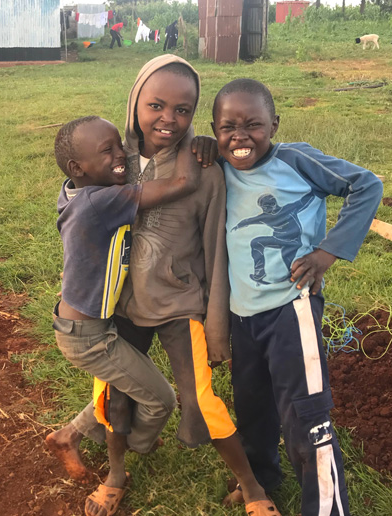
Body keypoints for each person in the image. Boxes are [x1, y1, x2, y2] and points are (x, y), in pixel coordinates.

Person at [47, 56, 279, 516]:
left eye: (183, 110)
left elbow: (215, 248)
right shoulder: (113, 161)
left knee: (203, 399)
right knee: (112, 395)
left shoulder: (205, 168)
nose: (168, 119)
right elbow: (74, 206)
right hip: (118, 310)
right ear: (135, 102)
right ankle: (116, 475)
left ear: (196, 116)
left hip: (179, 305)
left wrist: (215, 325)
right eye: (156, 105)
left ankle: (251, 486)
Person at [209, 78, 383, 516]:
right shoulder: (216, 165)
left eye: (253, 125)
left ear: (275, 125)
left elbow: (367, 186)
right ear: (213, 130)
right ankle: (262, 479)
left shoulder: (296, 160)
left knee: (306, 414)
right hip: (242, 315)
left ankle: (325, 506)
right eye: (227, 126)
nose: (240, 136)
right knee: (252, 406)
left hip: (292, 308)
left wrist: (326, 254)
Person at [52, 115, 203, 516]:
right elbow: (182, 184)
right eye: (108, 152)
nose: (122, 156)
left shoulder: (73, 193)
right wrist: (187, 135)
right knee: (160, 400)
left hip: (81, 324)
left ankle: (69, 434)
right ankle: (136, 444)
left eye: (120, 145)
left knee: (125, 385)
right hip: (88, 336)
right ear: (77, 169)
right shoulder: (103, 200)